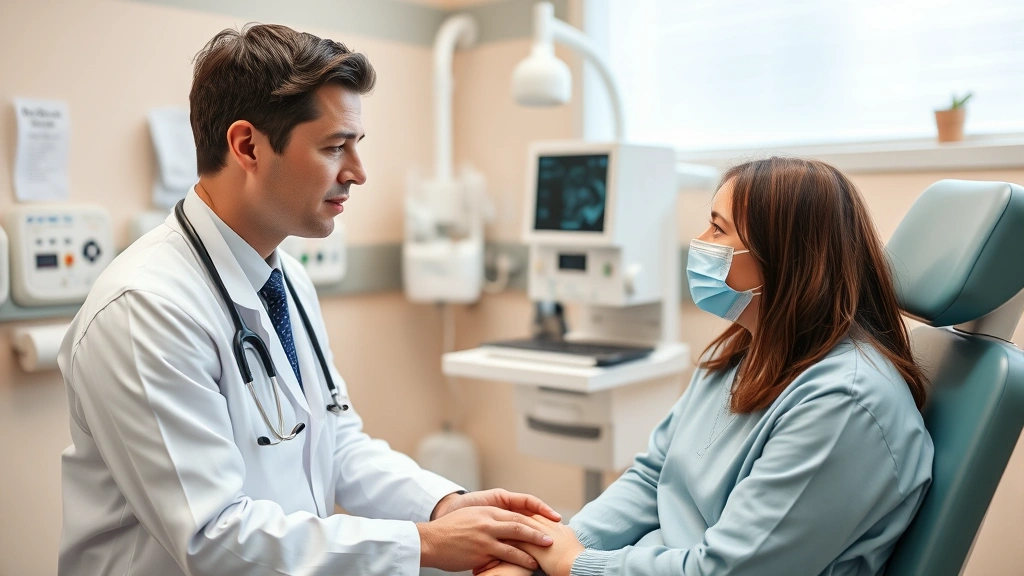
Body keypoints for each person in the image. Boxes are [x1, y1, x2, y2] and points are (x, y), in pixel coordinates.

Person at [57, 23, 559, 576]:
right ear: (247, 145)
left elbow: (337, 441)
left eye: (356, 146)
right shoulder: (144, 309)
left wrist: (443, 506)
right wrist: (425, 544)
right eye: (333, 147)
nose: (357, 173)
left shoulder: (287, 279)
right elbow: (214, 538)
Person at [478, 157, 934, 576]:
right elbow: (655, 474)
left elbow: (727, 571)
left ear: (783, 257)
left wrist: (577, 564)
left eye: (718, 229)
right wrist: (547, 548)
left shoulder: (843, 405)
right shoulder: (742, 352)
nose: (699, 243)